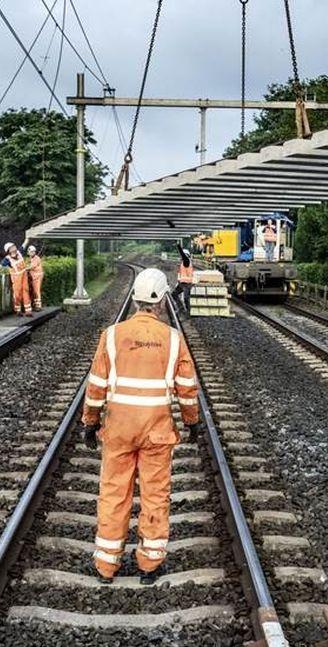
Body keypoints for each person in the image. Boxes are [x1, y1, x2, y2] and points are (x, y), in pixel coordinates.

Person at [81, 268, 201, 584]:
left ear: (134, 299)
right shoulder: (173, 339)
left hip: (119, 429)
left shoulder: (111, 336)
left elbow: (96, 387)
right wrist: (192, 422)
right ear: (161, 300)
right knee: (155, 493)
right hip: (157, 431)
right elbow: (187, 387)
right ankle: (149, 565)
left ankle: (106, 565)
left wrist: (90, 424)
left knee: (113, 492)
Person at [0, 242, 32, 317]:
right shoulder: (7, 259)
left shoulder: (19, 252)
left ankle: (28, 311)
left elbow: (24, 244)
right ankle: (18, 310)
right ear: (9, 250)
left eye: (14, 245)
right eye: (12, 247)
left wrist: (28, 238)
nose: (14, 247)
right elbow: (0, 266)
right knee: (17, 294)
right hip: (16, 278)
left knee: (26, 291)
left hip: (24, 275)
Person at [175, 244, 194, 316]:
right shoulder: (184, 263)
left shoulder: (187, 261)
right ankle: (181, 309)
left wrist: (179, 247)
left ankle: (188, 312)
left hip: (187, 284)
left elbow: (183, 255)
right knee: (174, 295)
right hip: (182, 283)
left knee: (186, 298)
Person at [26, 244, 44, 310]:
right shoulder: (31, 258)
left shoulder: (36, 258)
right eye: (30, 252)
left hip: (37, 276)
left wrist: (24, 269)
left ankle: (38, 306)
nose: (31, 253)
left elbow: (31, 266)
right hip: (34, 277)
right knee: (34, 291)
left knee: (36, 290)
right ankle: (35, 304)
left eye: (32, 252)